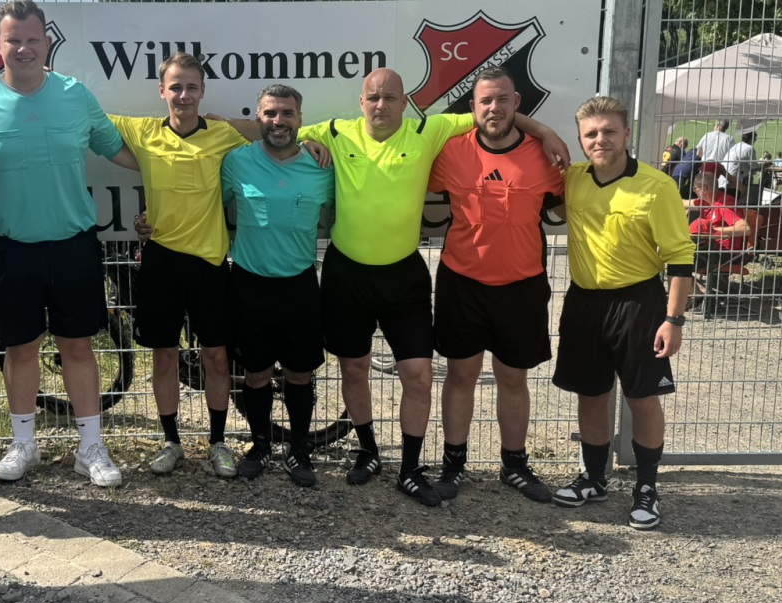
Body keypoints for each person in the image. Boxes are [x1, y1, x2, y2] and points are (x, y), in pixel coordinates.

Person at [299, 68, 569, 506]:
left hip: (456, 279)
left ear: (406, 103)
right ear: (361, 101)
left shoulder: (437, 134)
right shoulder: (342, 132)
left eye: (390, 97)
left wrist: (544, 130)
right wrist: (303, 143)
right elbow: (277, 130)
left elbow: (498, 124)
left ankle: (475, 467)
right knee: (373, 370)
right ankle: (392, 455)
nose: (381, 104)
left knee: (449, 377)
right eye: (373, 97)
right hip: (383, 276)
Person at [0, 0, 135, 488]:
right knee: (19, 350)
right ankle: (24, 444)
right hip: (11, 249)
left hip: (73, 245)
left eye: (32, 39)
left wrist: (196, 159)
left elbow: (122, 152)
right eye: (13, 40)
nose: (23, 48)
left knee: (77, 347)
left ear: (47, 42)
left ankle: (91, 448)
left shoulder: (75, 95)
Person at [551, 96, 694, 530]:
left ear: (626, 134)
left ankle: (647, 487)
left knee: (642, 398)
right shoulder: (572, 179)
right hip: (584, 301)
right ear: (581, 139)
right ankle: (594, 478)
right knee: (590, 393)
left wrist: (673, 320)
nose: (601, 140)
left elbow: (680, 259)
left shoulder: (656, 186)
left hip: (638, 303)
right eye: (591, 133)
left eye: (609, 131)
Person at [426, 68, 564, 503]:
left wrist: (544, 132)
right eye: (485, 100)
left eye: (503, 99)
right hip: (462, 281)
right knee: (460, 374)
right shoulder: (451, 151)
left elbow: (573, 207)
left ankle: (514, 465)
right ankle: (453, 463)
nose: (494, 108)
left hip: (522, 285)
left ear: (517, 103)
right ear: (472, 107)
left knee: (513, 377)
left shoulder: (544, 155)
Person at [109, 52, 249, 478]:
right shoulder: (143, 131)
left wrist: (312, 143)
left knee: (216, 357)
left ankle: (218, 442)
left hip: (209, 261)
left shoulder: (223, 135)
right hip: (161, 260)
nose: (183, 95)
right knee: (164, 356)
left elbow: (272, 140)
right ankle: (171, 442)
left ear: (202, 91)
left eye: (191, 87)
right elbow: (88, 118)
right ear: (161, 91)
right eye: (175, 87)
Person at [218, 85, 336, 486]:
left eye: (287, 113)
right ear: (258, 119)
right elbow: (204, 204)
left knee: (300, 375)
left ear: (300, 119)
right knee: (256, 375)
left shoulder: (322, 167)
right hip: (249, 284)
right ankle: (260, 444)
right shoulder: (236, 162)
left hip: (299, 286)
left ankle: (299, 449)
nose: (278, 121)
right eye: (270, 113)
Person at [721, 128, 760, 201]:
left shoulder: (737, 146)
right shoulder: (749, 148)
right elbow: (755, 168)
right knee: (745, 195)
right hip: (732, 181)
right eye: (755, 139)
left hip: (724, 179)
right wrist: (764, 165)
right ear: (751, 139)